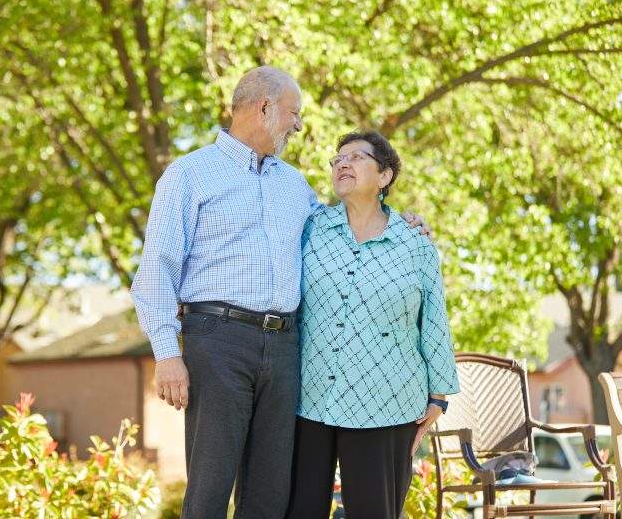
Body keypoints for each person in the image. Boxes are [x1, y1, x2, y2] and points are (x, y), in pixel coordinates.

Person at [131, 67, 430, 519]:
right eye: (294, 113)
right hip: (217, 339)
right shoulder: (189, 175)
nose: (298, 125)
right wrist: (167, 353)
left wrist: (400, 221)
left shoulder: (295, 185)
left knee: (271, 491)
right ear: (264, 108)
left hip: (287, 346)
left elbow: (345, 228)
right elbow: (157, 268)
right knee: (211, 486)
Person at [285, 131, 460, 519]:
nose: (342, 164)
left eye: (356, 157)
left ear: (385, 176)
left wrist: (439, 397)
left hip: (387, 401)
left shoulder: (414, 243)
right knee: (298, 510)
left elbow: (433, 319)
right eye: (337, 159)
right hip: (309, 396)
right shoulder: (311, 230)